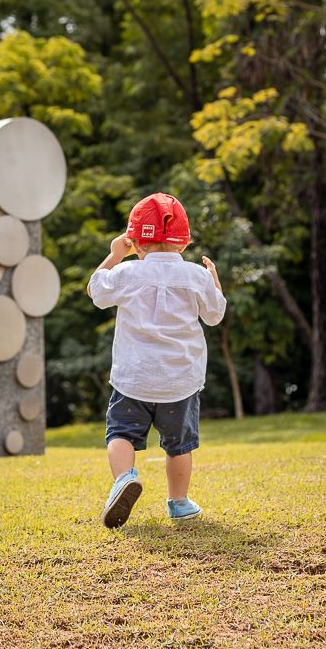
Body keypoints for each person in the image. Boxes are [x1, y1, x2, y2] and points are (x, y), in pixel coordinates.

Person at [87, 192, 226, 529]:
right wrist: (214, 280)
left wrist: (114, 256)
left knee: (120, 433)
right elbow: (215, 315)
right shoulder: (195, 275)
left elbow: (96, 291)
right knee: (179, 446)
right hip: (180, 381)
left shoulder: (129, 272)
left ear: (135, 241)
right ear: (184, 242)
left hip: (133, 379)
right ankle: (178, 502)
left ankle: (124, 478)